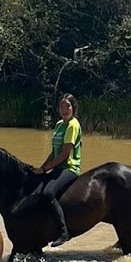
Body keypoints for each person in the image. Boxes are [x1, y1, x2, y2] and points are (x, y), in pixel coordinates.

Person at [34, 93, 83, 246]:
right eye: (61, 106)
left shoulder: (73, 125)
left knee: (48, 193)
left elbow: (64, 153)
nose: (64, 109)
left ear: (73, 108)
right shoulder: (59, 124)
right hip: (57, 167)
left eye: (67, 106)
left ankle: (63, 231)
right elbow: (54, 152)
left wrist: (47, 168)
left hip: (69, 168)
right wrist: (42, 167)